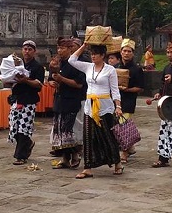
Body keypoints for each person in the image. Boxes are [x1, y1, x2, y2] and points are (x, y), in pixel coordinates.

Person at [67, 42, 123, 178]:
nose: (93, 57)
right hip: (90, 106)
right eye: (91, 54)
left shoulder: (110, 70)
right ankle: (88, 167)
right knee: (88, 136)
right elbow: (71, 60)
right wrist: (84, 46)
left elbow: (115, 90)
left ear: (102, 55)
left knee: (108, 135)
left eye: (96, 54)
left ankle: (117, 163)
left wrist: (118, 106)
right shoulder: (88, 67)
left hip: (105, 106)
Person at [49, 37, 86, 170]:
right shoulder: (57, 62)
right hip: (59, 100)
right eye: (58, 48)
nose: (60, 51)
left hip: (72, 101)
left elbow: (79, 84)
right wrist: (52, 82)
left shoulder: (77, 64)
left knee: (68, 130)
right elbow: (50, 79)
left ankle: (75, 154)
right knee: (59, 130)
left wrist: (62, 79)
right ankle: (65, 158)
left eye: (63, 48)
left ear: (70, 49)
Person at [8, 40, 44, 165]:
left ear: (34, 51)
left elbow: (39, 85)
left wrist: (26, 80)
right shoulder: (18, 65)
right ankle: (28, 143)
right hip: (16, 98)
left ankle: (21, 155)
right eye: (25, 49)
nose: (27, 51)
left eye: (29, 49)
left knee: (24, 127)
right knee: (14, 126)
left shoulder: (37, 67)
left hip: (29, 100)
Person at [116, 39, 145, 162]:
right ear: (121, 52)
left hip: (128, 101)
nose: (126, 53)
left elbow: (140, 88)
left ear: (132, 53)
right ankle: (130, 147)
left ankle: (124, 153)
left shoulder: (137, 69)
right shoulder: (115, 67)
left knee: (123, 125)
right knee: (116, 125)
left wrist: (126, 89)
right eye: (124, 51)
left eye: (129, 51)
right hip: (115, 100)